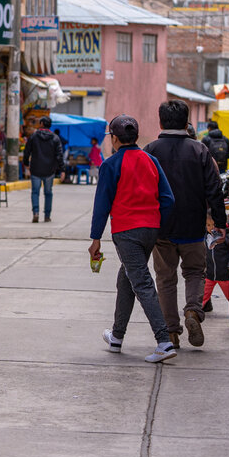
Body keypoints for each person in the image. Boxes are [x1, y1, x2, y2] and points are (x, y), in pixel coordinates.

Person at [90, 114, 177, 363]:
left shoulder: (110, 165)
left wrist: (95, 238)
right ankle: (117, 337)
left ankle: (164, 341)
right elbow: (168, 200)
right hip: (150, 230)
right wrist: (157, 224)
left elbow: (101, 205)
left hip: (126, 232)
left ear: (114, 139)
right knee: (126, 278)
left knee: (141, 283)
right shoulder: (151, 160)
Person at [143, 100, 227, 349]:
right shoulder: (200, 150)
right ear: (186, 121)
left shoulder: (151, 150)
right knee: (194, 272)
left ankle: (170, 331)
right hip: (193, 225)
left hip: (161, 227)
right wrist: (220, 222)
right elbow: (215, 188)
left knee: (166, 278)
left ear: (160, 122)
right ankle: (192, 311)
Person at [23, 117, 65, 223]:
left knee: (35, 192)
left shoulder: (33, 136)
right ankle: (47, 216)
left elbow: (27, 151)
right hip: (50, 170)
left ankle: (36, 213)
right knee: (48, 193)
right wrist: (62, 170)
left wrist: (26, 164)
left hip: (35, 169)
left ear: (41, 123)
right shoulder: (55, 138)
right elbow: (59, 155)